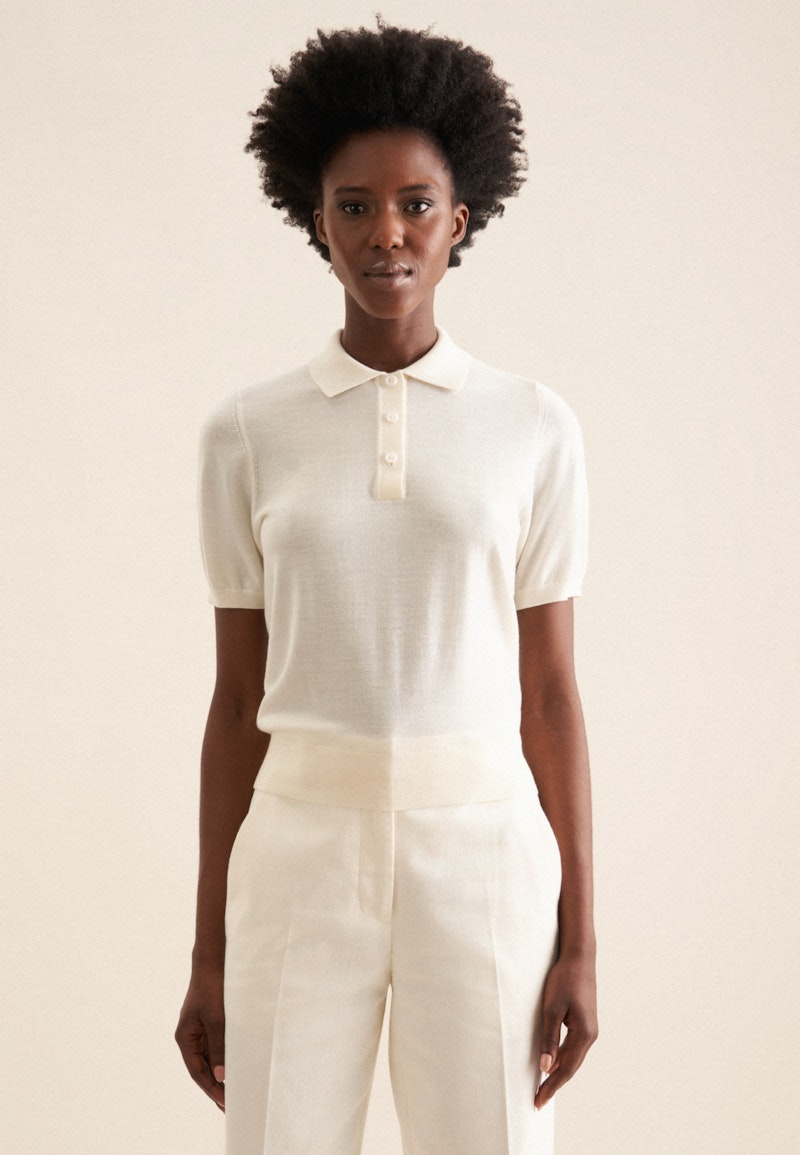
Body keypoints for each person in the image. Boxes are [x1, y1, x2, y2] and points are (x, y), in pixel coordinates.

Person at [175, 19, 597, 1155]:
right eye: (353, 205)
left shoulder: (532, 427)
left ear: (460, 218)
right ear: (315, 219)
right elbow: (236, 700)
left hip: (484, 852)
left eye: (415, 203)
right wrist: (208, 949)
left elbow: (552, 693)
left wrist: (580, 941)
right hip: (298, 852)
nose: (386, 232)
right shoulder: (247, 432)